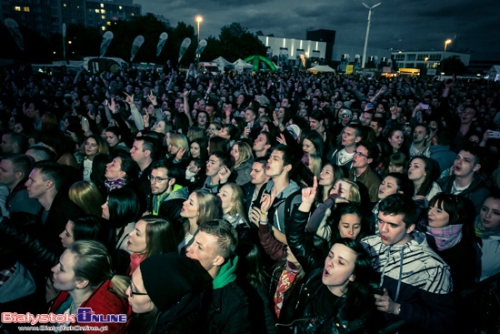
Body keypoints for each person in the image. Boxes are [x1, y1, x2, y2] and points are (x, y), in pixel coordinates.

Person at [277, 180, 375, 333]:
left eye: (341, 262)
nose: (329, 263)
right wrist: (306, 204)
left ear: (353, 275)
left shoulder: (356, 318)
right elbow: (295, 238)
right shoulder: (315, 273)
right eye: (330, 256)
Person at [362, 194, 455, 333]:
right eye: (380, 221)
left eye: (392, 225)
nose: (383, 229)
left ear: (410, 227)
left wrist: (397, 308)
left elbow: (444, 321)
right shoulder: (367, 244)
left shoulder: (433, 267)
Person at [49, 240, 132, 333]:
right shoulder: (69, 293)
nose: (53, 269)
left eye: (61, 268)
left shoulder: (95, 324)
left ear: (81, 282)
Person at [186, 220, 251, 334]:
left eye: (199, 247)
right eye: (193, 242)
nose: (189, 249)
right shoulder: (181, 274)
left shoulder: (236, 303)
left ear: (217, 260)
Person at [127, 253, 213, 333]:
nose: (127, 292)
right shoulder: (146, 313)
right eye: (130, 282)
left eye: (135, 290)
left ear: (160, 299)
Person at [426, 193, 477, 292]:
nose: (430, 213)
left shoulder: (465, 250)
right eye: (430, 208)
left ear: (455, 216)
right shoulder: (419, 235)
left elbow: (463, 286)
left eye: (438, 211)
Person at [25, 161, 84, 243]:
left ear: (48, 184)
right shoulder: (42, 208)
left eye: (32, 180)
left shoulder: (67, 214)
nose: (26, 184)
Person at [255, 144, 301, 244]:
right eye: (270, 157)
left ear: (287, 167)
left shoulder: (295, 199)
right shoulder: (266, 187)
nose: (269, 160)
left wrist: (264, 224)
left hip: (282, 255)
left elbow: (295, 241)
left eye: (275, 159)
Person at [437, 145, 490, 215]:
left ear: (476, 167)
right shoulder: (442, 182)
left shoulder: (480, 194)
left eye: (466, 160)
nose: (459, 162)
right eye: (458, 158)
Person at [101, 187, 141, 274]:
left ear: (119, 208)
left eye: (108, 203)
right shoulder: (115, 227)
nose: (102, 206)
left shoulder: (130, 240)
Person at [146, 159, 188, 233]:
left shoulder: (178, 205)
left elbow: (169, 233)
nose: (153, 182)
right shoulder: (155, 193)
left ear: (171, 181)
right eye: (152, 177)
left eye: (159, 179)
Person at [475, 193, 500, 281]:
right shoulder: (464, 227)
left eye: (496, 213)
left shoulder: (497, 245)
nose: (487, 215)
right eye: (485, 209)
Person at [349, 140, 381, 205]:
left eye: (360, 154)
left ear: (369, 160)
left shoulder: (374, 182)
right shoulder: (348, 173)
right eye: (355, 152)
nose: (355, 156)